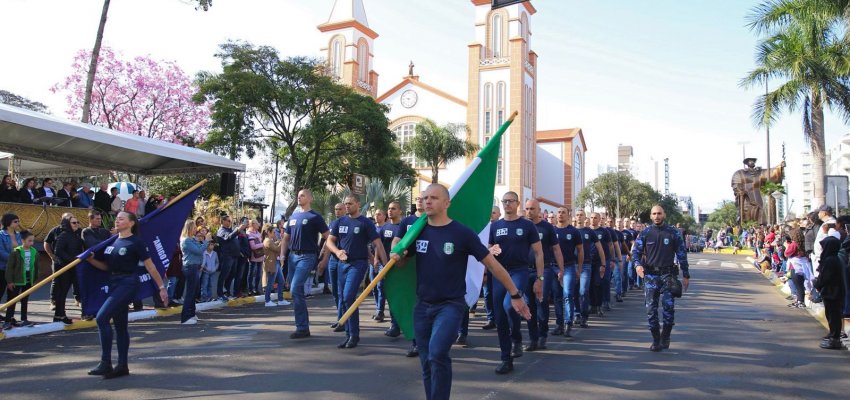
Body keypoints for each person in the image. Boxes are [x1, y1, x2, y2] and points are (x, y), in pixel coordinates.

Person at [390, 183, 531, 400]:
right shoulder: (417, 231)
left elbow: (492, 265)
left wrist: (515, 294)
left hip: (450, 305)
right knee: (427, 361)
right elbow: (401, 264)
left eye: (434, 198)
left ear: (447, 203)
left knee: (437, 353)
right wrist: (396, 251)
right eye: (425, 197)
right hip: (422, 305)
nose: (427, 201)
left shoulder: (461, 233)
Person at [85, 211, 169, 379]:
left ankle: (105, 363)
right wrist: (91, 260)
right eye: (116, 218)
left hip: (128, 283)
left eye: (121, 218)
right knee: (120, 325)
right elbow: (106, 268)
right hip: (114, 283)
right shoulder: (112, 241)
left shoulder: (136, 242)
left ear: (131, 223)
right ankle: (122, 366)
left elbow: (151, 266)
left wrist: (161, 287)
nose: (117, 220)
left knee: (101, 318)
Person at [488, 191, 543, 373]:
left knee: (509, 305)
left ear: (517, 203)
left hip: (519, 271)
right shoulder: (496, 226)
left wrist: (540, 278)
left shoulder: (527, 226)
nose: (507, 204)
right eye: (504, 201)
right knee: (500, 316)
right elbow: (488, 249)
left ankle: (517, 337)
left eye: (510, 201)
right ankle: (506, 358)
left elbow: (538, 253)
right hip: (499, 272)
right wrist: (492, 249)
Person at [325, 194, 386, 348]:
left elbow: (378, 244)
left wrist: (385, 265)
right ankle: (349, 335)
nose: (347, 206)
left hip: (358, 264)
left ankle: (354, 334)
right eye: (346, 204)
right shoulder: (340, 221)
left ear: (358, 204)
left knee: (348, 296)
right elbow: (329, 241)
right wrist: (338, 252)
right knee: (344, 298)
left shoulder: (366, 223)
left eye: (350, 204)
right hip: (342, 264)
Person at [633, 205, 690, 352]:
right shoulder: (645, 233)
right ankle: (656, 339)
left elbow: (681, 254)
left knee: (668, 308)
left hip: (668, 275)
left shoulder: (673, 233)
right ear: (651, 216)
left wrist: (686, 274)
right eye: (654, 214)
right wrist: (638, 266)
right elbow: (636, 253)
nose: (657, 216)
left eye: (659, 213)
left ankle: (666, 335)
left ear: (664, 214)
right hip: (651, 276)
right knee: (651, 310)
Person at [280, 189, 330, 339]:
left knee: (295, 288)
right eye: (298, 195)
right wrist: (282, 255)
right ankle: (303, 327)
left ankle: (302, 327)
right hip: (292, 257)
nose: (299, 197)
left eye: (302, 195)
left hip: (307, 256)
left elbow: (329, 237)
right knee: (295, 291)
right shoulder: (293, 217)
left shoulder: (315, 217)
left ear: (310, 198)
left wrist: (324, 256)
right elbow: (286, 239)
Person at [522, 199, 564, 351]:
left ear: (539, 210)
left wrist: (561, 270)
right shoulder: (522, 226)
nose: (529, 211)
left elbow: (556, 250)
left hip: (544, 270)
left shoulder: (547, 228)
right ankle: (533, 338)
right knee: (529, 304)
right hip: (525, 270)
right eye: (527, 209)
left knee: (542, 301)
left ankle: (542, 335)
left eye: (532, 208)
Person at [388, 196, 425, 355]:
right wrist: (395, 253)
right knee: (413, 304)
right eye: (418, 198)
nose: (420, 200)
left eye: (424, 198)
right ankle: (417, 342)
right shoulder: (407, 221)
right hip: (408, 267)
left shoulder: (432, 220)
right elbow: (396, 241)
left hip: (429, 265)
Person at [554, 207, 584, 337]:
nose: (560, 214)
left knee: (567, 294)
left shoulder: (574, 231)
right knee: (557, 297)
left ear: (568, 215)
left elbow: (581, 251)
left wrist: (579, 269)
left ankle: (568, 323)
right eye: (559, 212)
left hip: (569, 267)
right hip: (553, 267)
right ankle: (559, 324)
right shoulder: (552, 230)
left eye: (563, 212)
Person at [574, 209, 604, 328]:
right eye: (577, 215)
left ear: (585, 217)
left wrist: (603, 264)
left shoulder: (590, 232)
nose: (579, 217)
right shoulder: (571, 230)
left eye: (581, 215)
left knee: (583, 291)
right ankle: (576, 313)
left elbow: (599, 248)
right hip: (572, 265)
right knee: (574, 291)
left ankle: (584, 317)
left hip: (586, 265)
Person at [52, 214, 85, 324]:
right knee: (62, 292)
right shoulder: (64, 235)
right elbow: (58, 251)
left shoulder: (76, 235)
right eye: (74, 223)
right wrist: (71, 260)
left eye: (77, 222)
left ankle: (60, 315)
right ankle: (59, 315)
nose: (76, 225)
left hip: (73, 267)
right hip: (63, 267)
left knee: (65, 291)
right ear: (67, 224)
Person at [815, 234, 845, 349]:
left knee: (834, 315)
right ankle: (832, 333)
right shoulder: (831, 258)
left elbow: (826, 277)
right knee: (831, 314)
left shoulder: (831, 260)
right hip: (831, 291)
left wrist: (817, 284)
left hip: (833, 292)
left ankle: (835, 337)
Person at [320, 203, 346, 332]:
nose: (338, 211)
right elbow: (328, 243)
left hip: (344, 260)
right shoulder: (333, 224)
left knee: (342, 291)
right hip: (332, 260)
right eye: (336, 209)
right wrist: (324, 258)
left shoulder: (348, 222)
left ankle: (342, 319)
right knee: (335, 291)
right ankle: (341, 316)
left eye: (340, 209)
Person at [375, 201, 402, 324]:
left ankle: (397, 322)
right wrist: (376, 258)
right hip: (383, 265)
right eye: (389, 209)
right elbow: (378, 245)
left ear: (400, 211)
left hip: (398, 266)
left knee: (396, 294)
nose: (390, 211)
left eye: (394, 209)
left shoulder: (403, 227)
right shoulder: (384, 227)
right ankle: (381, 313)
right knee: (382, 289)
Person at [4, 230, 37, 329]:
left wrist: (34, 279)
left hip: (28, 280)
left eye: (32, 241)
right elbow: (10, 267)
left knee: (25, 300)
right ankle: (8, 320)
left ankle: (24, 319)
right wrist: (9, 281)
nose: (31, 243)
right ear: (22, 240)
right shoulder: (16, 252)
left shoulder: (34, 252)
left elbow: (36, 267)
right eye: (29, 241)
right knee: (12, 300)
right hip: (16, 280)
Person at [216, 214, 248, 300]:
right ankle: (220, 294)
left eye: (230, 221)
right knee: (224, 275)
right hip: (227, 256)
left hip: (234, 256)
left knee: (232, 275)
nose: (230, 222)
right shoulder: (221, 230)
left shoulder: (230, 230)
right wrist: (238, 230)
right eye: (228, 221)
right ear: (223, 221)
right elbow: (227, 238)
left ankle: (227, 292)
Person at [180, 222, 208, 324]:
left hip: (195, 267)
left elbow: (198, 245)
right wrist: (206, 241)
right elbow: (199, 251)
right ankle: (185, 317)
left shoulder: (191, 239)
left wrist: (202, 240)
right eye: (194, 227)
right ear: (190, 228)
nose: (196, 229)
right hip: (190, 267)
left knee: (194, 292)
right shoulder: (186, 240)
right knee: (190, 293)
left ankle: (191, 314)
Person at [480, 206, 501, 331]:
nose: (491, 215)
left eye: (493, 213)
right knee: (487, 294)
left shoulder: (500, 227)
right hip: (486, 266)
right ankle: (490, 318)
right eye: (490, 213)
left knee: (498, 295)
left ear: (499, 214)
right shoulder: (484, 228)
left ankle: (500, 319)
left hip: (499, 266)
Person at [0, 213, 22, 318]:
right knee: (0, 291)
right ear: (8, 223)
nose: (18, 223)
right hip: (2, 268)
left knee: (13, 294)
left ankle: (10, 317)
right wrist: (13, 259)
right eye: (15, 221)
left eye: (18, 221)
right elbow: (0, 251)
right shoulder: (1, 235)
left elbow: (22, 249)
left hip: (15, 269)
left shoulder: (18, 235)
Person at [262, 223, 288, 306]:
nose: (274, 234)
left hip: (275, 262)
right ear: (268, 232)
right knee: (271, 282)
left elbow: (275, 246)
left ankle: (280, 299)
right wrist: (282, 241)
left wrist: (279, 241)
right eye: (273, 232)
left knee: (281, 281)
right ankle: (267, 301)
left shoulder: (271, 240)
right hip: (271, 263)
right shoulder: (267, 241)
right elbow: (277, 249)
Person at [246, 220, 264, 296]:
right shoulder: (249, 234)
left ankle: (256, 289)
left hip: (260, 256)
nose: (259, 225)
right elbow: (253, 246)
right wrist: (263, 244)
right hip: (253, 257)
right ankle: (250, 289)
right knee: (251, 273)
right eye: (257, 223)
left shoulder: (258, 233)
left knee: (259, 274)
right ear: (253, 225)